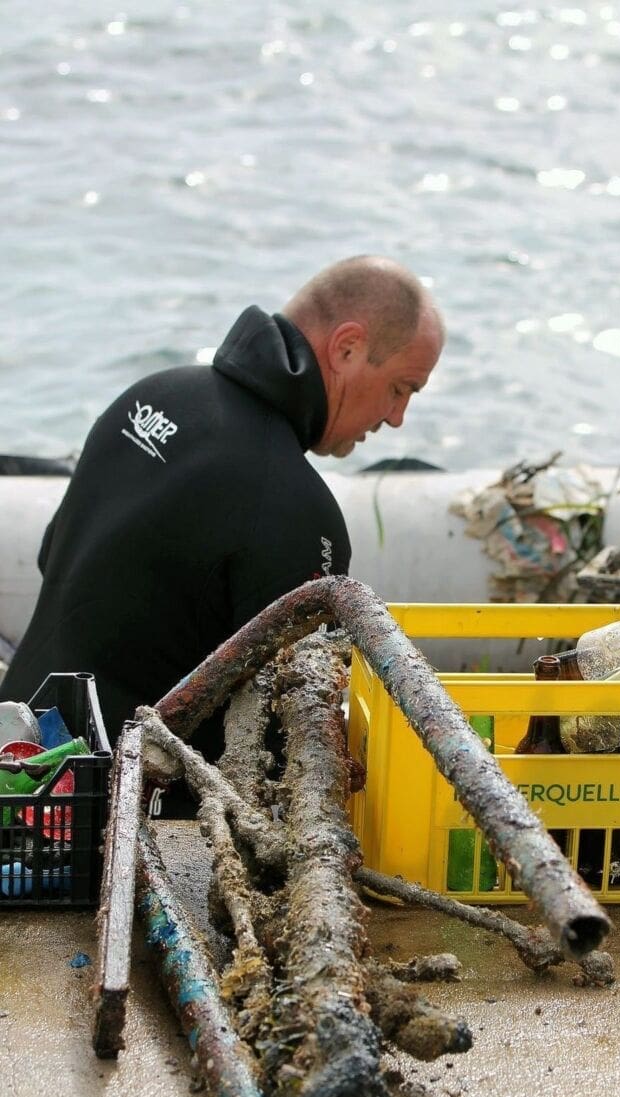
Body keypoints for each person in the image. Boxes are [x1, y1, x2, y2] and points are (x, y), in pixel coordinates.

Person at [1, 256, 445, 769]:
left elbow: (52, 555)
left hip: (18, 748)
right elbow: (290, 738)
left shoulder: (149, 396)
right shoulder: (297, 508)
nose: (397, 417)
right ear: (347, 348)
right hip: (124, 794)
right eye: (400, 388)